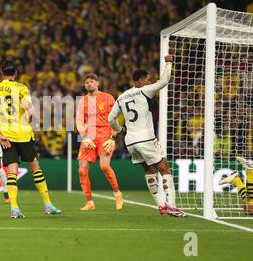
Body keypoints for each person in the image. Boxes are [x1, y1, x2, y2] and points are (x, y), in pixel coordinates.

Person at [108, 55, 186, 217]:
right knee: (164, 169)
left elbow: (110, 119)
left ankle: (161, 205)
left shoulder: (121, 97)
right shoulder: (143, 91)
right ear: (138, 81)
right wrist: (169, 63)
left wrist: (120, 129)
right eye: (146, 80)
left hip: (131, 141)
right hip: (146, 138)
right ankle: (171, 205)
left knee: (149, 170)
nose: (149, 83)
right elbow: (164, 81)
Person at [0, 60, 61, 218]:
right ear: (16, 73)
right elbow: (31, 110)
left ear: (1, 72)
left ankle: (14, 208)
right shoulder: (21, 88)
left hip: (6, 136)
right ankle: (48, 204)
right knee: (35, 167)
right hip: (24, 134)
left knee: (11, 172)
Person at [75, 73, 123, 211]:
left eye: (91, 82)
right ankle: (90, 202)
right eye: (86, 82)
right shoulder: (82, 101)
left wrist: (112, 137)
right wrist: (84, 137)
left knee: (104, 166)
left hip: (105, 134)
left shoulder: (108, 98)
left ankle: (117, 193)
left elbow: (115, 120)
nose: (88, 84)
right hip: (89, 135)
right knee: (82, 170)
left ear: (97, 83)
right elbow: (79, 121)